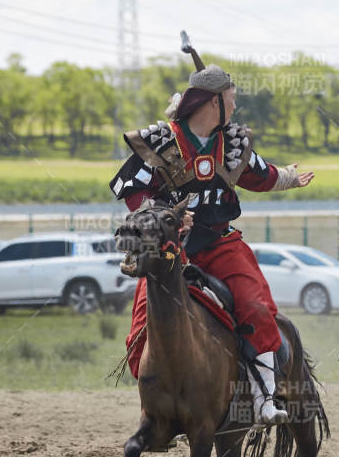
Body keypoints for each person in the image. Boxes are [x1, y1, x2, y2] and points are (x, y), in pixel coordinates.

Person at [110, 63, 314, 425]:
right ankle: (156, 406)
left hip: (221, 244)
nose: (235, 105)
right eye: (231, 99)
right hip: (171, 249)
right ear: (213, 102)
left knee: (256, 306)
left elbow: (262, 175)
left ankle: (264, 398)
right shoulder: (160, 141)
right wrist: (166, 215)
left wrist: (290, 178)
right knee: (144, 321)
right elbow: (130, 189)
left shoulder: (232, 143)